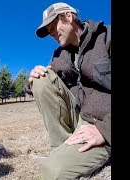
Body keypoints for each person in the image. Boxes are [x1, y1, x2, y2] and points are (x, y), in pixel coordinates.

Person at [28, 2, 111, 179]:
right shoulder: (60, 55)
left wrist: (104, 129)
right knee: (41, 79)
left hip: (103, 123)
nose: (51, 34)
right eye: (48, 31)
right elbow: (43, 87)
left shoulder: (106, 38)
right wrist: (31, 79)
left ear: (68, 16)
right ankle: (60, 147)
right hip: (81, 117)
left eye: (53, 26)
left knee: (52, 170)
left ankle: (65, 159)